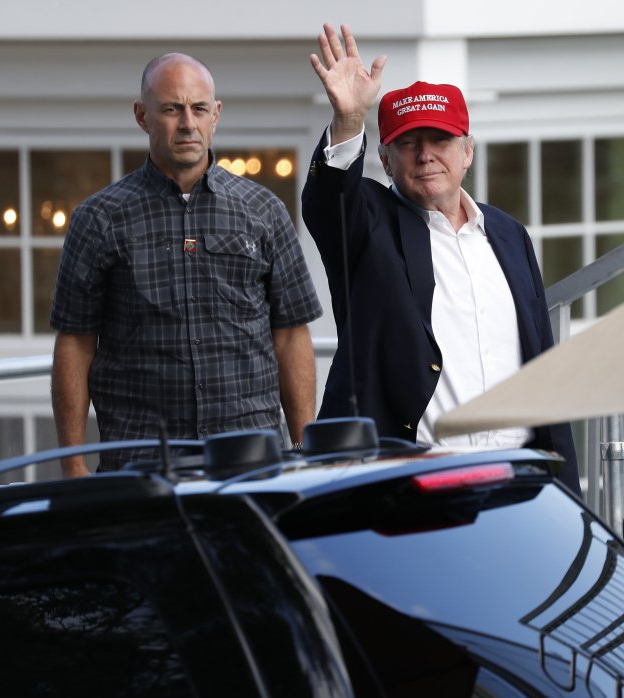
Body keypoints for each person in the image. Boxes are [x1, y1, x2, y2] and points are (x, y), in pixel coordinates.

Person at [303, 23, 579, 492]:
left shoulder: (509, 234)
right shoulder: (369, 223)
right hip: (416, 482)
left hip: (522, 475)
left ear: (468, 152)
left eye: (441, 141)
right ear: (387, 161)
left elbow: (538, 362)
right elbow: (330, 201)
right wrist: (349, 121)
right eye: (409, 144)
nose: (426, 155)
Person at [50, 52, 322, 476]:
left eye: (199, 109)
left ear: (217, 115)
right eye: (172, 109)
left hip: (249, 456)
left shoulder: (263, 210)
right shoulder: (99, 218)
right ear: (143, 116)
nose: (188, 124)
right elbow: (75, 343)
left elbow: (290, 335)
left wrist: (305, 447)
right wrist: (72, 464)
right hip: (142, 458)